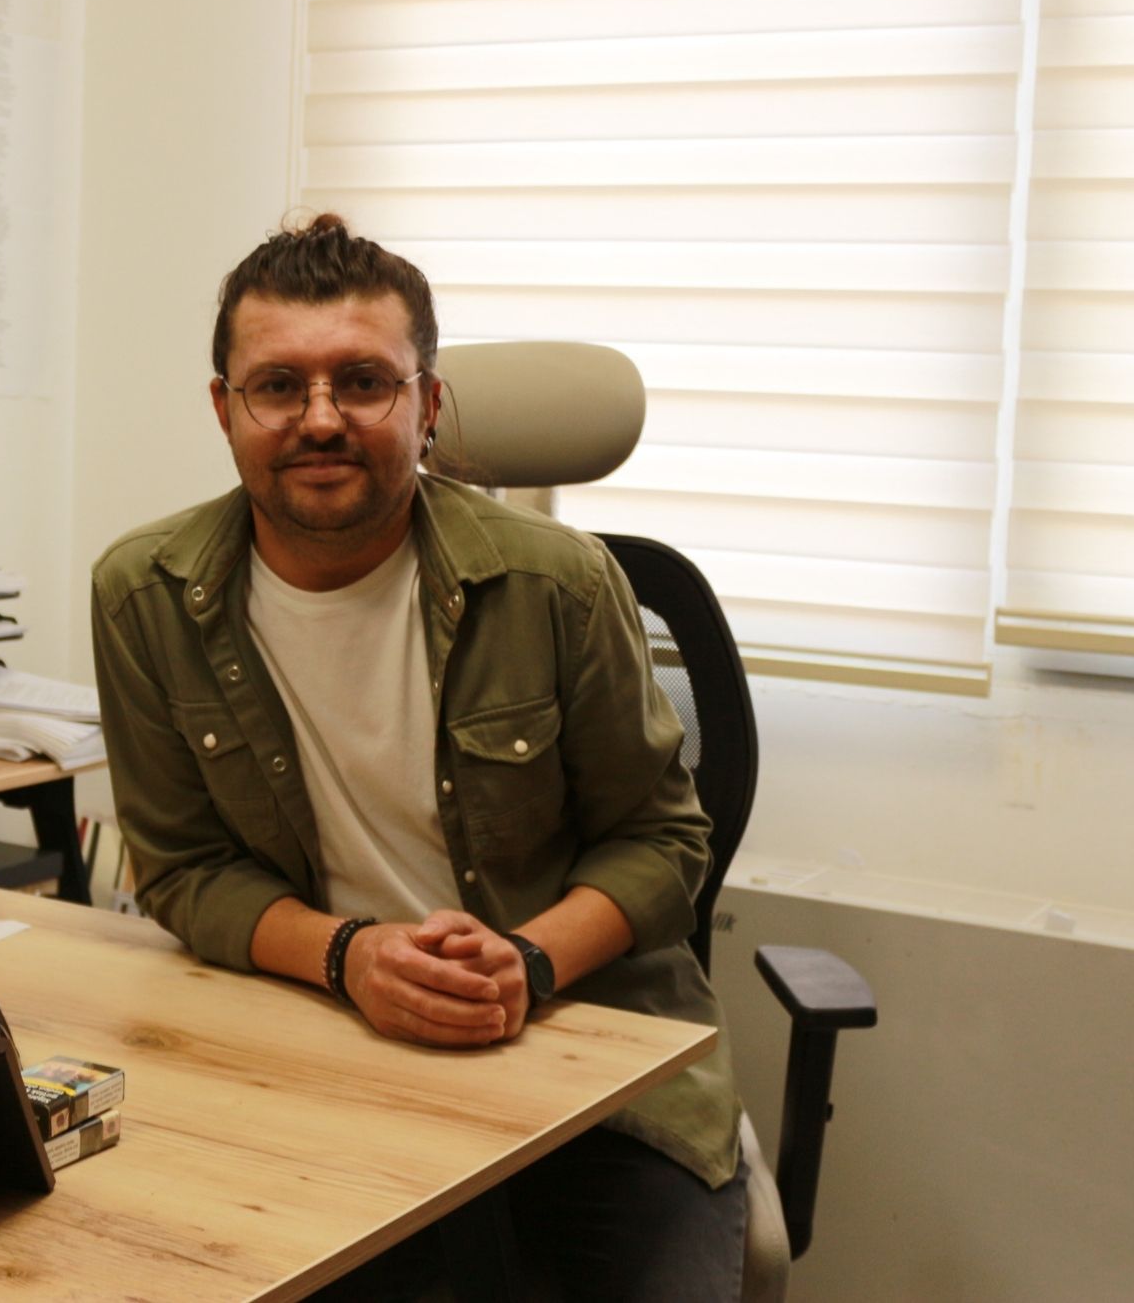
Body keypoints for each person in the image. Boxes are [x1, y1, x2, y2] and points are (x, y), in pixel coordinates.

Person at [89, 215, 745, 1300]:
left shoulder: (561, 583)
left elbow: (662, 842)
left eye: (363, 382)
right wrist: (350, 957)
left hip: (590, 1057)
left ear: (426, 404)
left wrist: (524, 963)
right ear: (224, 408)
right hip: (313, 1052)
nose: (320, 419)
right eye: (277, 386)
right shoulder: (143, 595)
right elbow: (183, 870)